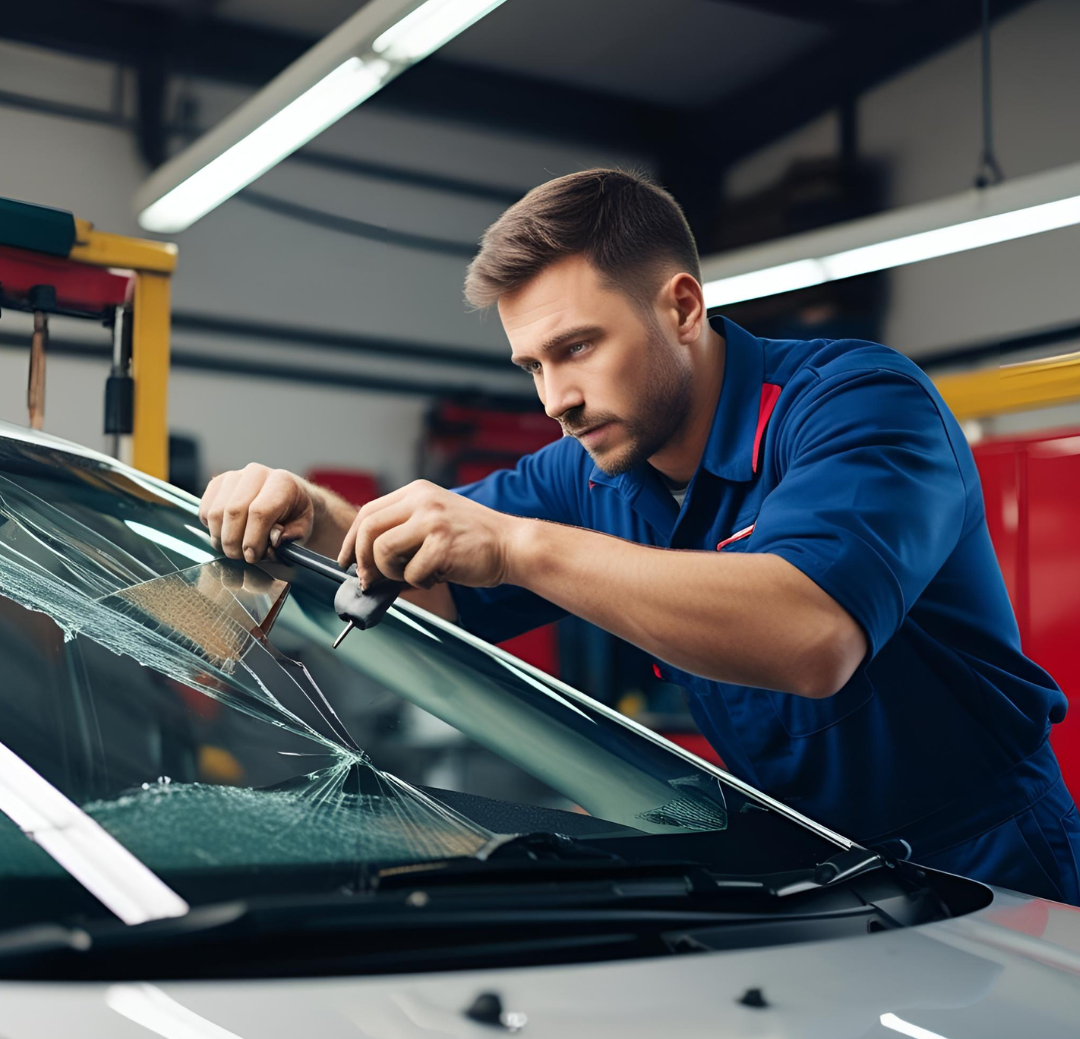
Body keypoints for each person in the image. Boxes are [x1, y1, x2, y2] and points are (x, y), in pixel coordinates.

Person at [200, 168, 1078, 902]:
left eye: (577, 348)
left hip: (988, 860)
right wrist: (314, 515)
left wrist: (524, 547)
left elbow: (813, 635)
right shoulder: (590, 467)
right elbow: (432, 575)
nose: (555, 400)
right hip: (815, 871)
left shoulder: (855, 403)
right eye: (533, 367)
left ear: (683, 307)